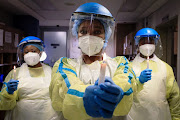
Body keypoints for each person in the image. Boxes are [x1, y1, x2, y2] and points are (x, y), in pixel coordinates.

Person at [49, 2, 146, 120]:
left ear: (106, 35)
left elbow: (126, 84)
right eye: (83, 32)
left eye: (97, 32)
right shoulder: (65, 65)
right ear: (76, 34)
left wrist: (118, 93)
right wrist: (83, 97)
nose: (89, 36)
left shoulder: (121, 63)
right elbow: (62, 92)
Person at [0, 36, 61, 120]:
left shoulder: (51, 72)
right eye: (26, 52)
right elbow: (5, 105)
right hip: (22, 115)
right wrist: (8, 93)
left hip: (49, 116)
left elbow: (58, 98)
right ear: (22, 54)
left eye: (33, 51)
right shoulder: (15, 74)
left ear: (40, 52)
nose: (30, 54)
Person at [128, 28, 180, 120]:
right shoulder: (129, 67)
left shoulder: (166, 68)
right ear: (138, 44)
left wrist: (176, 117)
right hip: (135, 116)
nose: (147, 45)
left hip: (161, 116)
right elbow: (124, 93)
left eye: (150, 41)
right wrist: (138, 82)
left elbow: (174, 97)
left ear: (155, 43)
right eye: (143, 42)